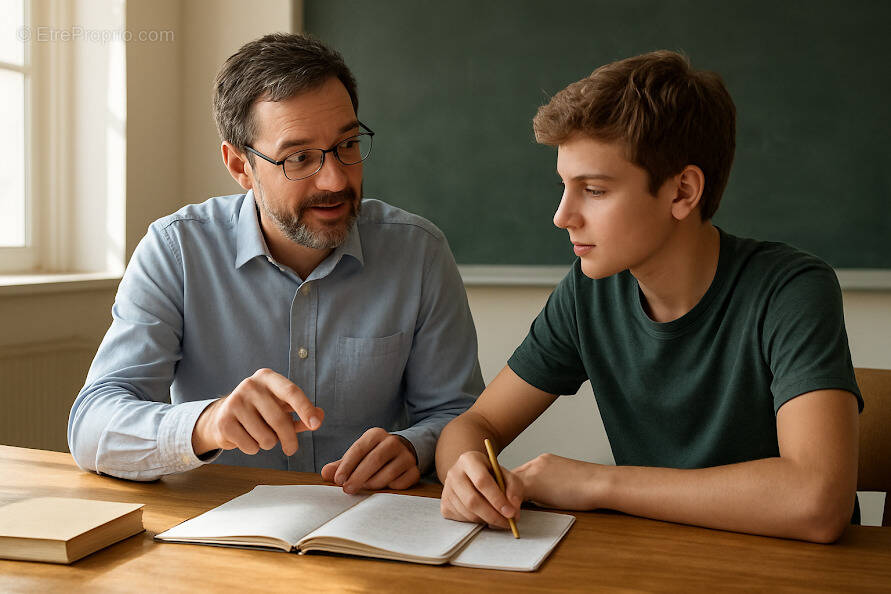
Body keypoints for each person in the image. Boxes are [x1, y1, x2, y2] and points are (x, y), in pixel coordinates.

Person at [435, 50, 862, 543]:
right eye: (564, 186)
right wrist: (466, 472)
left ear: (682, 192)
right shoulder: (588, 292)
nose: (562, 216)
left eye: (594, 190)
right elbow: (476, 423)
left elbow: (817, 501)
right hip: (656, 560)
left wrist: (597, 482)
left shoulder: (791, 289)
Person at [68, 33, 483, 493]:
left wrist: (414, 447)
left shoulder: (418, 253)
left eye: (347, 145)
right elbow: (92, 426)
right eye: (299, 158)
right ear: (240, 166)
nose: (335, 179)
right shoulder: (177, 250)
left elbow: (460, 414)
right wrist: (207, 423)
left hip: (367, 518)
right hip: (218, 522)